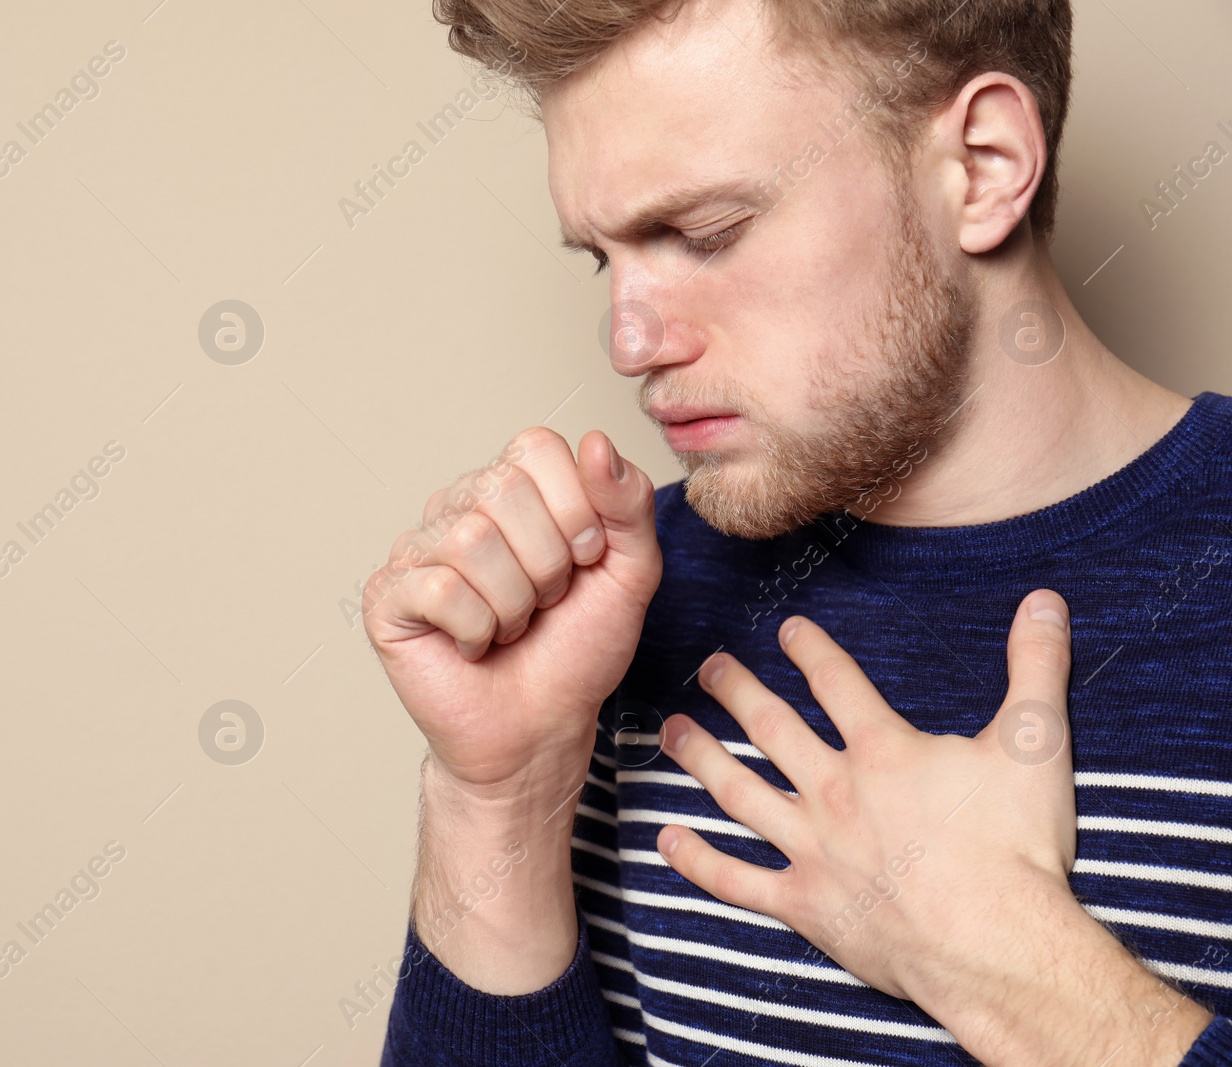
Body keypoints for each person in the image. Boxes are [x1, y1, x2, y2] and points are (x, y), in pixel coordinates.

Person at [361, 0, 1232, 1064]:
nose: (628, 339)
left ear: (984, 163)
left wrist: (1017, 965)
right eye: (603, 257)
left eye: (704, 233)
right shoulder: (597, 609)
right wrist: (498, 799)